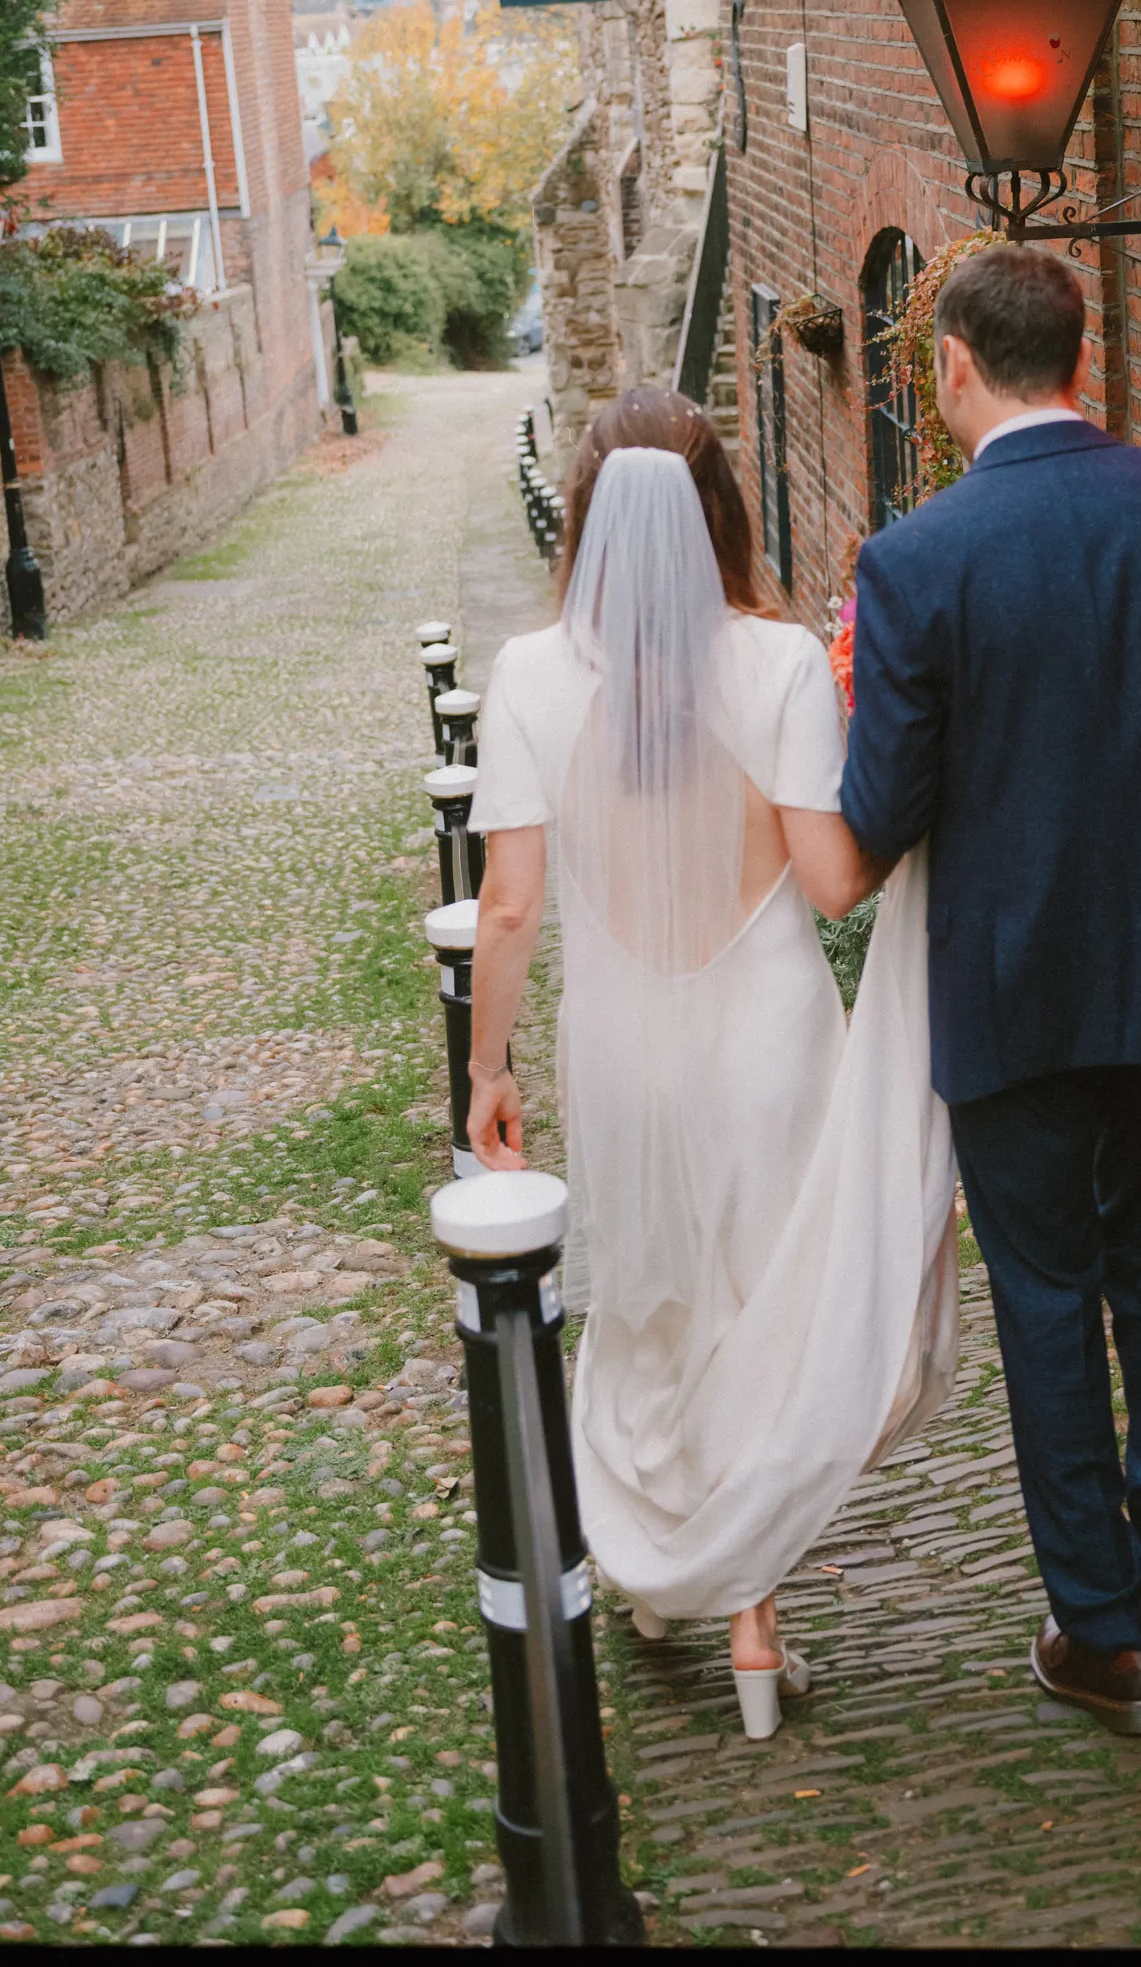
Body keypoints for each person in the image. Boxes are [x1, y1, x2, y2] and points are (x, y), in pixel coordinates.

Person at [842, 243, 1141, 1736]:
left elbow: (885, 812)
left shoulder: (917, 560)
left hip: (1010, 997)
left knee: (1046, 1293)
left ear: (958, 367)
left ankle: (1107, 1632)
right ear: (1084, 353)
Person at [462, 388, 959, 1742]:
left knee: (659, 1304)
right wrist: (920, 799)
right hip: (767, 1033)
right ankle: (751, 1618)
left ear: (582, 520)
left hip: (624, 1048)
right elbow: (839, 886)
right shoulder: (782, 663)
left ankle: (672, 1577)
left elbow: (506, 909)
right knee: (764, 1303)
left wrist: (484, 1070)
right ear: (724, 515)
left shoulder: (527, 676)